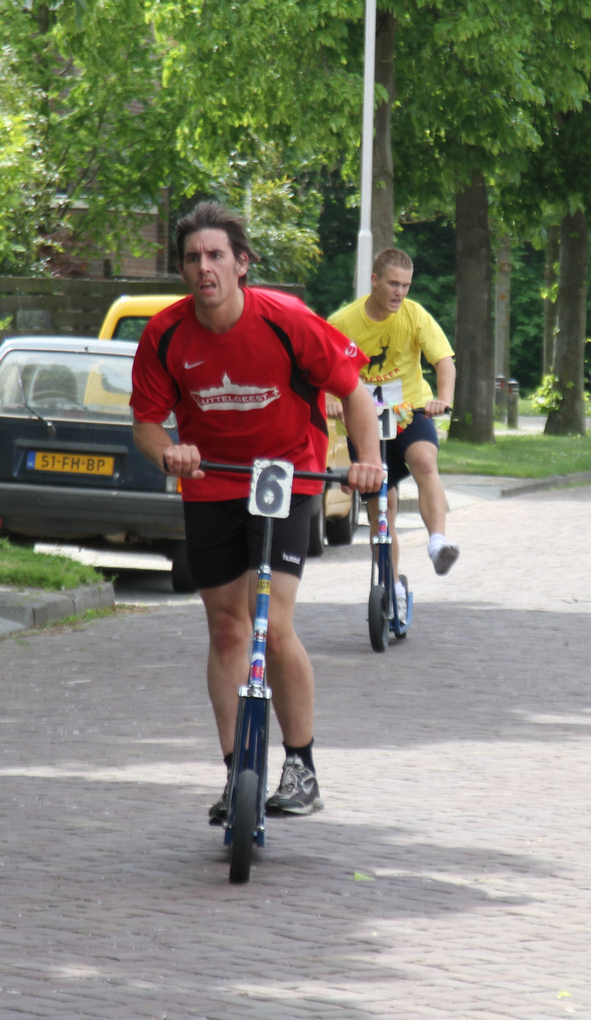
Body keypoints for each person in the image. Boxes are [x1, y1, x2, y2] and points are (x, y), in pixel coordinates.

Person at [130, 201, 384, 821]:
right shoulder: (164, 335)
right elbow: (146, 424)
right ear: (183, 270)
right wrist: (170, 453)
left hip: (285, 476)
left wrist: (368, 461)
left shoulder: (287, 321)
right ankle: (235, 773)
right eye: (193, 258)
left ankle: (300, 767)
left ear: (241, 264)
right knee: (226, 628)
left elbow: (354, 393)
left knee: (271, 621)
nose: (204, 267)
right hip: (211, 483)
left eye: (216, 255)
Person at [327, 248, 460, 580]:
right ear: (375, 281)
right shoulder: (343, 322)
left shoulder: (414, 315)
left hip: (409, 411)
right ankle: (391, 585)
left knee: (425, 462)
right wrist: (330, 399)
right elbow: (320, 367)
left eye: (405, 285)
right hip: (364, 421)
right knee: (382, 508)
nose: (400, 292)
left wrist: (443, 400)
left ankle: (438, 544)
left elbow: (444, 361)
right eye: (393, 284)